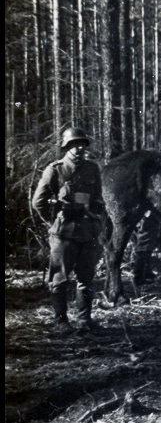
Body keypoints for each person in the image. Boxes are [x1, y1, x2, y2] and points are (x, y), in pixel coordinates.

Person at [32, 128, 106, 333]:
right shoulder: (55, 170)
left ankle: (84, 320)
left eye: (82, 143)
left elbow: (97, 198)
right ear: (67, 146)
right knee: (59, 279)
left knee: (87, 278)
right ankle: (61, 321)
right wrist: (54, 220)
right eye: (75, 144)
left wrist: (97, 211)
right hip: (64, 234)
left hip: (88, 231)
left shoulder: (92, 169)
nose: (80, 147)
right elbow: (38, 202)